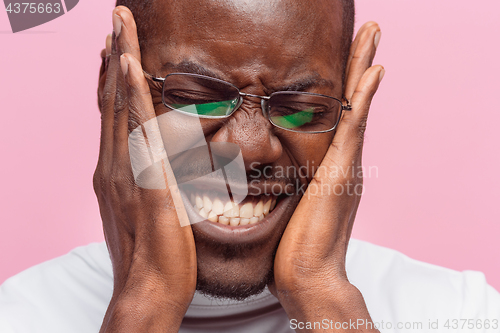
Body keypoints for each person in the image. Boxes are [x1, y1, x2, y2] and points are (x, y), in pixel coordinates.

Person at [0, 0, 499, 332]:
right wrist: (146, 304)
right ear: (113, 90)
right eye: (196, 98)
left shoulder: (459, 313)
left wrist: (320, 294)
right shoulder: (22, 317)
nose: (252, 150)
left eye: (302, 106)